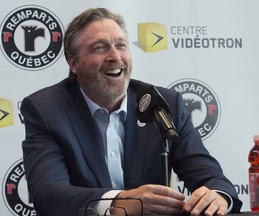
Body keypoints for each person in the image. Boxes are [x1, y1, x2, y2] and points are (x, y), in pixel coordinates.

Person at [21, 7, 242, 216]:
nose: (115, 56)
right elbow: (48, 194)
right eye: (99, 47)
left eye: (121, 45)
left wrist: (218, 196)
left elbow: (209, 176)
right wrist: (118, 202)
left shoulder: (165, 103)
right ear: (74, 64)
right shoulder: (46, 110)